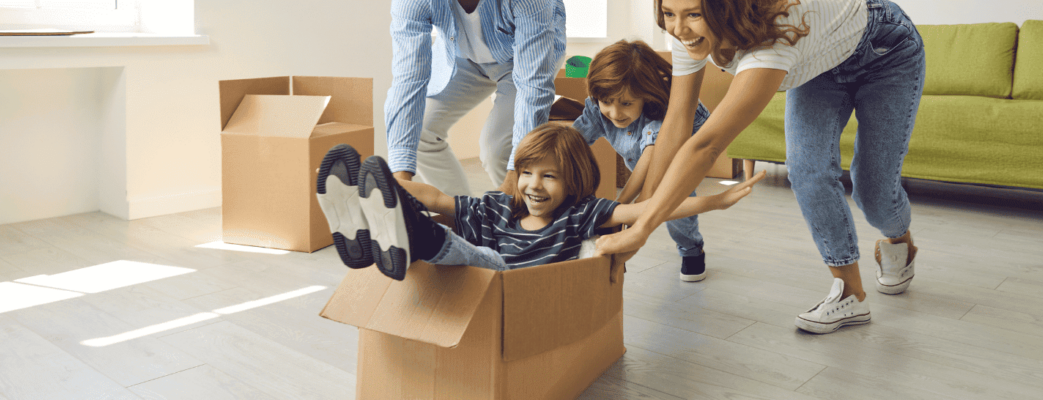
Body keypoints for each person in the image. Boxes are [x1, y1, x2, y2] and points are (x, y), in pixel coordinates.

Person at [595, 0, 925, 334]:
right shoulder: (686, 36)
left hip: (884, 50)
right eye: (668, 14)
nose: (679, 29)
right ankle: (851, 294)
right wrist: (642, 214)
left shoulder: (773, 36)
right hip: (818, 63)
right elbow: (677, 122)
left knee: (873, 190)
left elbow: (706, 146)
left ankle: (899, 241)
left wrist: (642, 229)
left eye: (694, 14)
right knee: (807, 171)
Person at [316, 124, 765, 280]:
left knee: (479, 256)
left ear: (574, 183)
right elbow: (434, 195)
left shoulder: (579, 217)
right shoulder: (497, 208)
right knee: (434, 220)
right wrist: (389, 186)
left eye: (550, 176)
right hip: (457, 282)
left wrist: (714, 202)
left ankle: (400, 232)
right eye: (527, 172)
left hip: (509, 288)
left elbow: (645, 210)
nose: (533, 185)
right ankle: (366, 217)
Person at [384, 0, 567, 197]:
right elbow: (408, 80)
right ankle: (460, 217)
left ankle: (524, 215)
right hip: (463, 57)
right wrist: (400, 181)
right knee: (420, 129)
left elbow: (533, 85)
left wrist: (514, 182)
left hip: (523, 57)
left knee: (498, 149)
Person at [571, 39, 715, 282]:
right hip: (639, 158)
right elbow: (572, 143)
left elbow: (651, 159)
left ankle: (691, 249)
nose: (615, 114)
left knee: (674, 205)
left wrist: (619, 206)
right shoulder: (598, 108)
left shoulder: (658, 111)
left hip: (681, 152)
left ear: (645, 98)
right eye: (607, 103)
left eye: (626, 103)